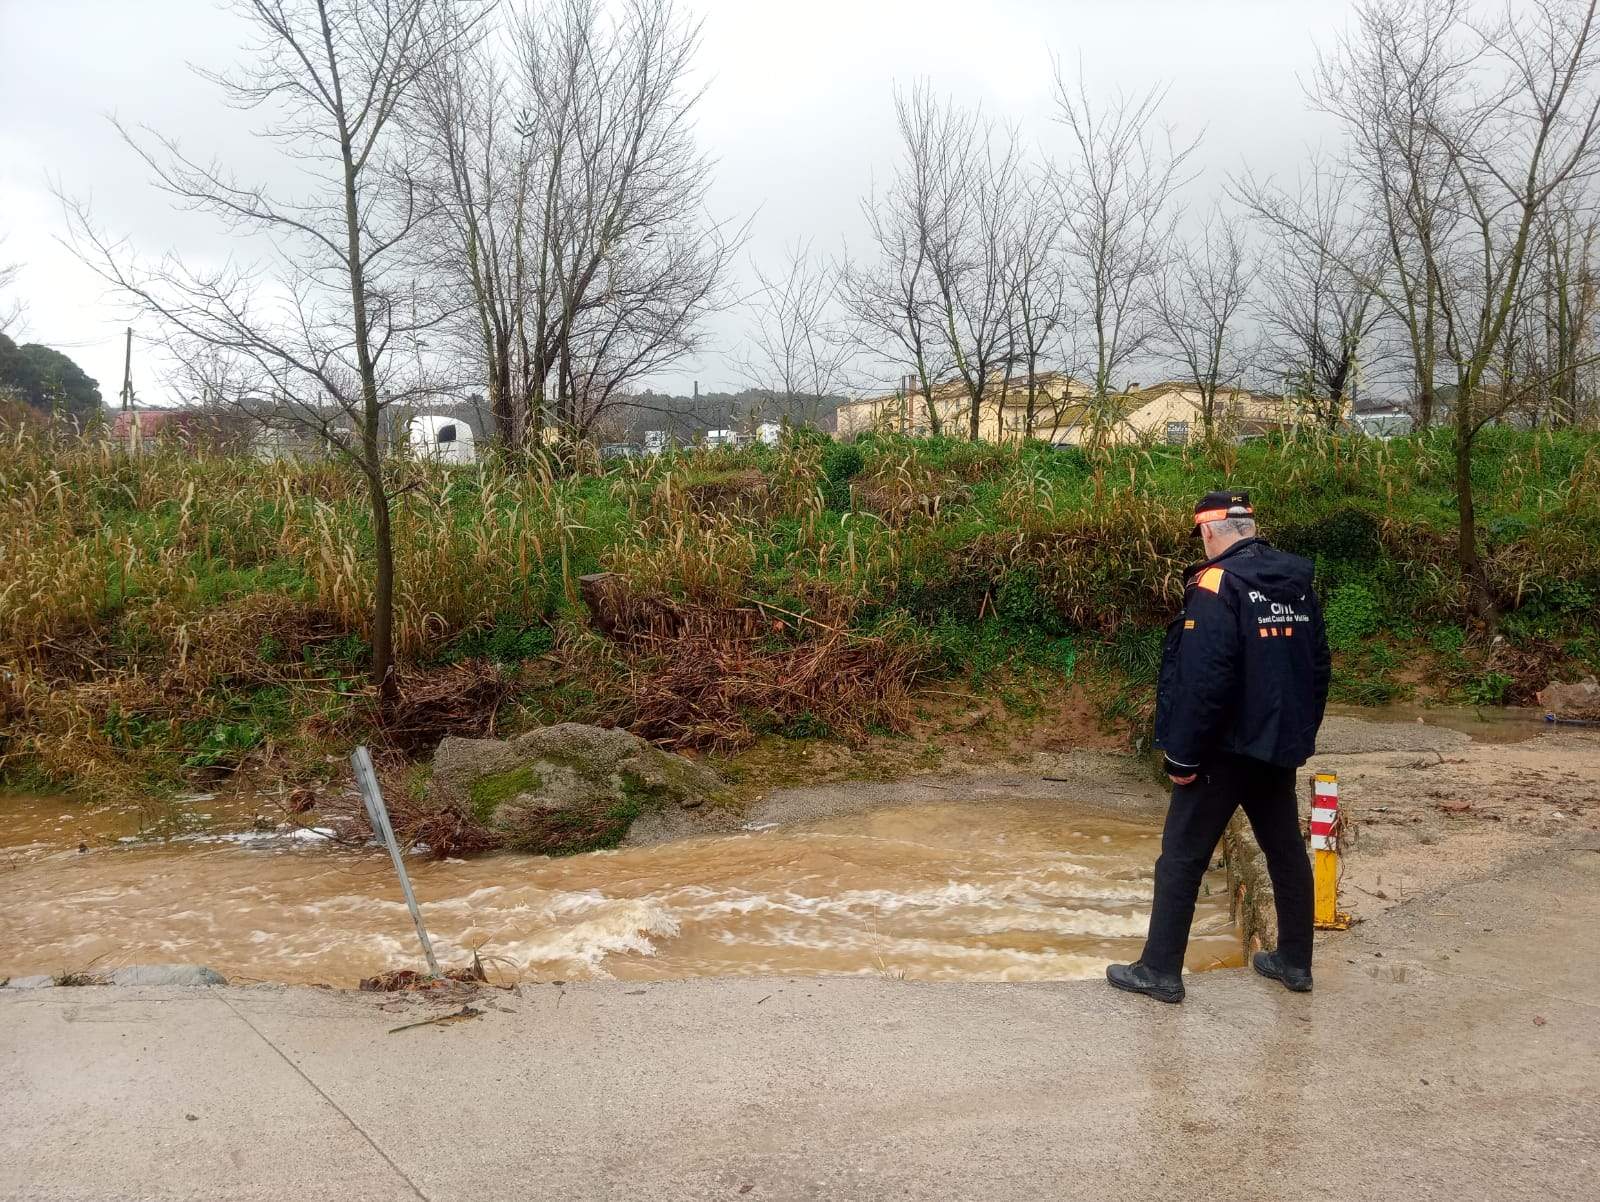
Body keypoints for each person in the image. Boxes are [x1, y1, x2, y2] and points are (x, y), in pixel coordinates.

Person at [1107, 490, 1331, 1004]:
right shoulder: (1296, 583)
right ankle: (1294, 962)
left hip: (1221, 752)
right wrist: (1297, 735)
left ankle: (1160, 970)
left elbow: (1202, 679)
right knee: (1285, 851)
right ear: (1248, 527)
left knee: (1182, 857)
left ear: (1209, 532)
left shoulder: (1216, 584)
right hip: (1275, 748)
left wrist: (1182, 755)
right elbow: (1318, 666)